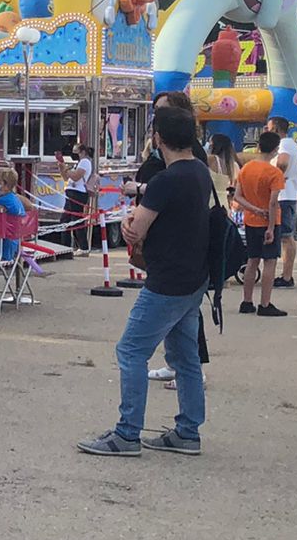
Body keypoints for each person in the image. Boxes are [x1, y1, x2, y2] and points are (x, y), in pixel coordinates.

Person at [78, 106, 213, 457]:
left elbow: (137, 228)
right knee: (185, 356)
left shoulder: (165, 180)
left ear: (159, 138)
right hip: (194, 275)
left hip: (166, 279)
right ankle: (188, 430)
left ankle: (127, 433)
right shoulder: (199, 171)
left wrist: (129, 224)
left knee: (131, 350)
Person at [234, 131, 288, 317]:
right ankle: (265, 303)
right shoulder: (275, 173)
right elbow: (273, 202)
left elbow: (237, 196)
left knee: (252, 260)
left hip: (251, 220)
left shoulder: (246, 169)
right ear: (275, 149)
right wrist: (271, 227)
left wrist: (254, 209)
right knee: (270, 261)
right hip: (269, 220)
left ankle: (246, 301)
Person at [267, 117, 297, 290]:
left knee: (286, 236)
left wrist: (274, 176)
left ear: (275, 129)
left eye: (268, 128)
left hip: (284, 194)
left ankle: (287, 275)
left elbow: (282, 162)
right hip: (283, 193)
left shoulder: (285, 144)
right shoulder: (287, 145)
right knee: (284, 236)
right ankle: (284, 274)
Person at [61, 143, 96, 252]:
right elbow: (66, 178)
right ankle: (66, 247)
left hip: (78, 193)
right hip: (71, 192)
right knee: (65, 220)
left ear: (83, 152)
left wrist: (67, 170)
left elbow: (76, 176)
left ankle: (83, 247)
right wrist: (62, 168)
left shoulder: (85, 162)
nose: (74, 154)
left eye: (76, 151)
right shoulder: (78, 163)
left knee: (76, 221)